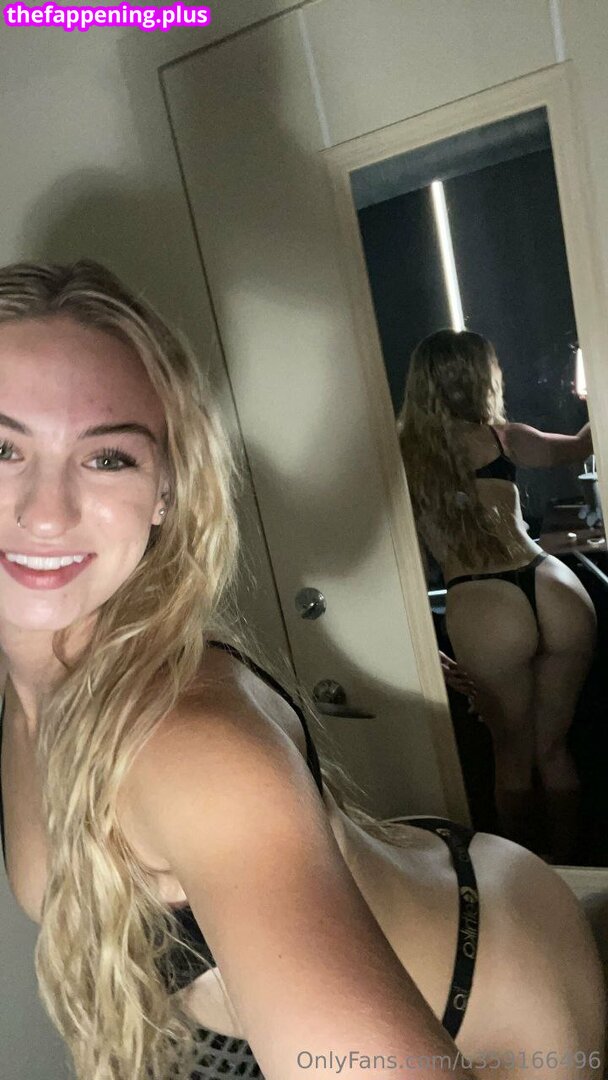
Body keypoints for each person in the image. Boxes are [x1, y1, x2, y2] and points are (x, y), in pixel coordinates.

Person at [0, 264, 603, 1080]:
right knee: (548, 751)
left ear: (166, 491)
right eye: (2, 447)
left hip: (498, 982)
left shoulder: (188, 748)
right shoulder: (36, 687)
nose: (44, 513)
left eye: (108, 458)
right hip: (544, 605)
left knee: (513, 757)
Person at [398, 328, 597, 863]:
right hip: (552, 584)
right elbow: (588, 441)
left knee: (511, 756)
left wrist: (422, 644)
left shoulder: (401, 456)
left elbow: (396, 563)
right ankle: (578, 872)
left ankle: (529, 877)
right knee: (553, 749)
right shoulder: (505, 438)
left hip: (484, 601)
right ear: (480, 376)